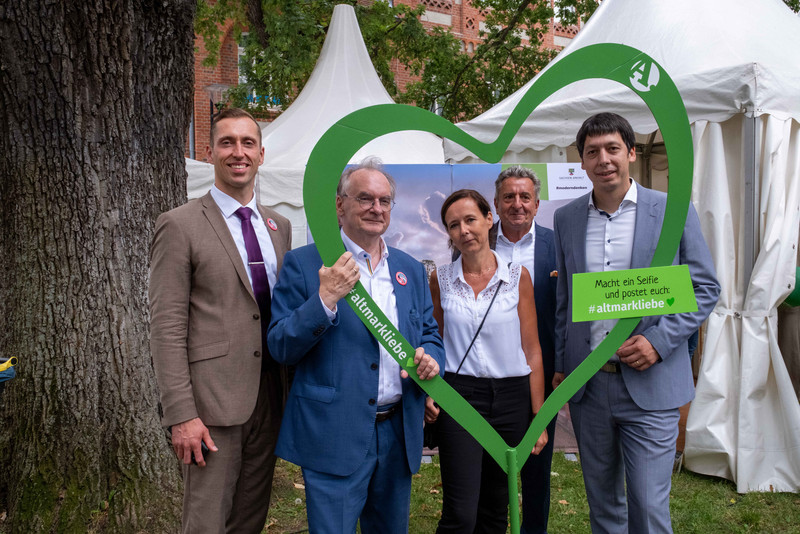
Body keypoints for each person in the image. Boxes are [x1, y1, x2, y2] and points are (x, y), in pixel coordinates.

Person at [552, 112, 720, 533]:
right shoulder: (567, 218)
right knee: (604, 508)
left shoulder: (671, 209)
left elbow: (704, 288)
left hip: (652, 383)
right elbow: (565, 300)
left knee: (647, 507)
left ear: (630, 152)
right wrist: (561, 367)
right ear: (582, 161)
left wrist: (659, 342)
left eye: (612, 149)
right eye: (593, 152)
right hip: (589, 386)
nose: (603, 159)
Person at [267, 158, 444, 533]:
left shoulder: (411, 270)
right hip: (333, 433)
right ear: (339, 204)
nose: (376, 208)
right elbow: (280, 346)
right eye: (364, 198)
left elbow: (429, 334)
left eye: (384, 201)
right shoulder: (304, 264)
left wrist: (432, 360)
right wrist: (324, 300)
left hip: (398, 434)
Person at [149, 108, 292, 533]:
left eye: (247, 143)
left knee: (250, 517)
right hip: (209, 407)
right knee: (207, 522)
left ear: (261, 154)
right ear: (211, 152)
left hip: (270, 397)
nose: (238, 152)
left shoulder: (278, 226)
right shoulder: (179, 224)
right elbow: (166, 326)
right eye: (227, 143)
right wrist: (181, 414)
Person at [426, 189, 548, 533]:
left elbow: (532, 348)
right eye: (453, 225)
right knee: (461, 514)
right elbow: (434, 341)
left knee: (496, 510)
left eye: (470, 220)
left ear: (488, 219)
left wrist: (538, 416)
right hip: (460, 396)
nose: (464, 230)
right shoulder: (442, 279)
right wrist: (431, 393)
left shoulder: (517, 276)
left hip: (512, 400)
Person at [491, 166, 559, 534]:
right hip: (488, 375)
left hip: (540, 372)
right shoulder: (475, 241)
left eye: (525, 197)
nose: (517, 204)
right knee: (489, 466)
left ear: (536, 203)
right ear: (496, 204)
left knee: (537, 465)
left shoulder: (557, 243)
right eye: (508, 197)